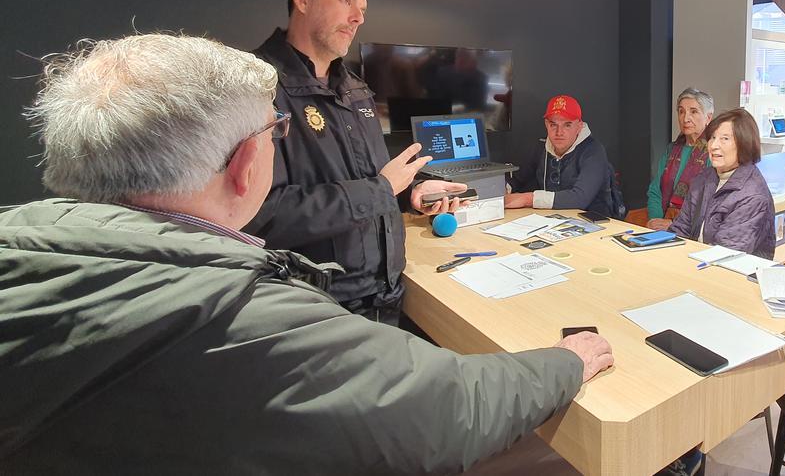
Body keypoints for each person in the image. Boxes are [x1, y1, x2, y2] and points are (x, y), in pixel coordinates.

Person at [0, 34, 614, 473]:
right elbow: (448, 409)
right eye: (277, 132)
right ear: (245, 165)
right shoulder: (245, 319)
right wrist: (566, 360)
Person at [246, 0, 467, 317]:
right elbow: (261, 215)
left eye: (362, 10)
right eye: (346, 1)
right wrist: (382, 189)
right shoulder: (256, 87)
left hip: (384, 293)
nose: (358, 18)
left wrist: (412, 193)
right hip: (317, 309)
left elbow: (372, 175)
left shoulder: (355, 89)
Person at [668, 108, 776, 258]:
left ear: (744, 144)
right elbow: (680, 229)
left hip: (733, 275)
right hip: (696, 264)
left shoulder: (753, 195)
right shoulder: (704, 178)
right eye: (712, 137)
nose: (713, 146)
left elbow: (727, 254)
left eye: (724, 139)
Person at [506, 94, 623, 217]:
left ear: (579, 126)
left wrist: (528, 198)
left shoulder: (593, 150)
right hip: (553, 222)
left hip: (595, 225)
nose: (559, 132)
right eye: (553, 125)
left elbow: (580, 198)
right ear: (546, 124)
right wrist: (504, 189)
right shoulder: (541, 147)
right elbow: (518, 178)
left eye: (567, 125)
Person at [646, 88, 714, 231]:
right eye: (681, 111)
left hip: (693, 229)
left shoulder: (713, 152)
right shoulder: (671, 149)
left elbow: (708, 203)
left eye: (693, 111)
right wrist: (655, 220)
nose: (685, 118)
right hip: (661, 224)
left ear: (708, 118)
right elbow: (655, 191)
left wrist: (673, 224)